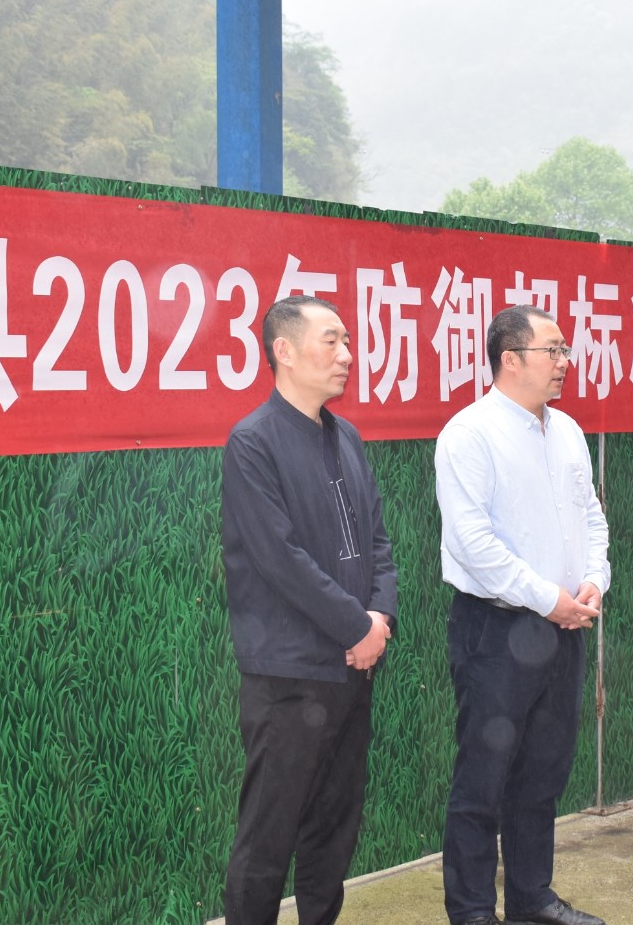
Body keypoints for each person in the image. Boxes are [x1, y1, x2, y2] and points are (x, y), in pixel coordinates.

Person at [220, 294, 398, 925]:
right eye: (332, 341)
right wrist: (356, 626)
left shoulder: (345, 436)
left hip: (352, 668)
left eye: (348, 341)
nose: (347, 354)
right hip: (289, 677)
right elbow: (280, 558)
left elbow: (378, 542)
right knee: (267, 839)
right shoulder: (253, 442)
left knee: (333, 828)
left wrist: (380, 620)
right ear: (285, 351)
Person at [434, 304, 610, 925]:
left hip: (565, 626)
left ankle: (532, 900)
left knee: (542, 774)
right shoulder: (469, 434)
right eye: (552, 350)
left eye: (565, 350)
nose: (564, 362)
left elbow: (591, 516)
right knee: (482, 782)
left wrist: (593, 581)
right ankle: (473, 911)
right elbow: (472, 542)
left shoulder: (567, 431)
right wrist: (547, 598)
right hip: (497, 630)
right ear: (510, 359)